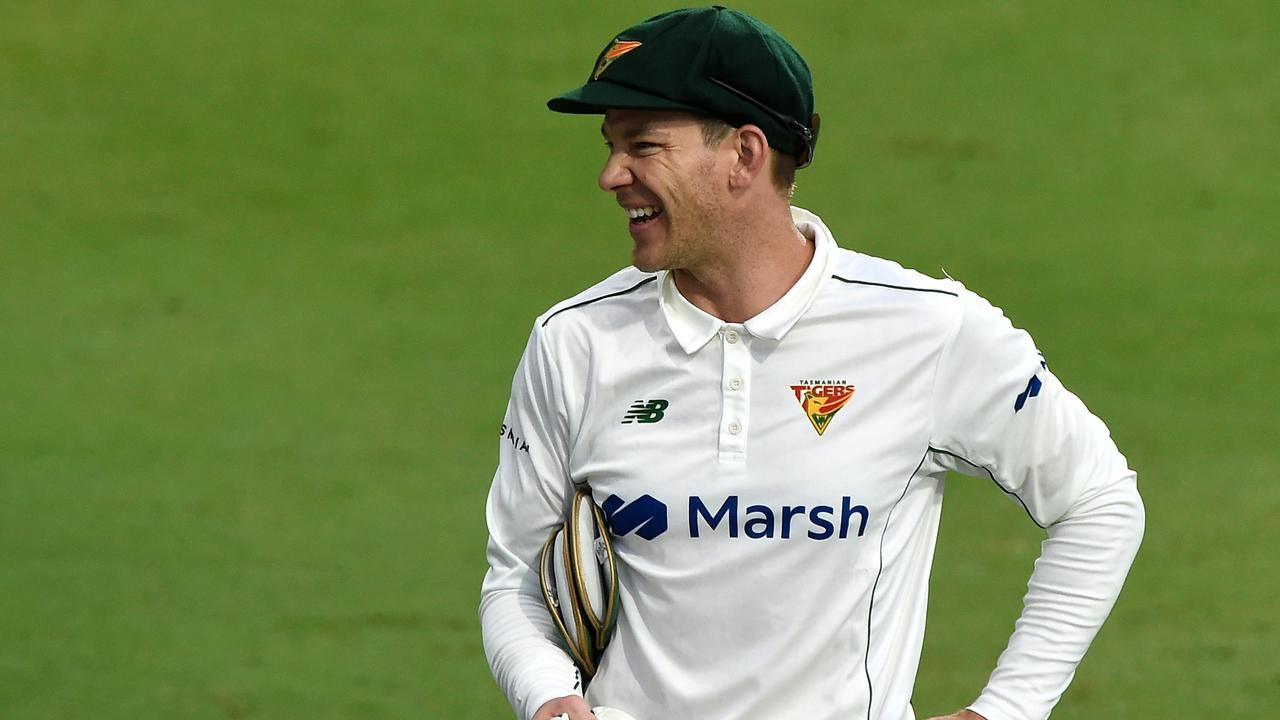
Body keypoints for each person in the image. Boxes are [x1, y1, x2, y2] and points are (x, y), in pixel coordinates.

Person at [479, 7, 1144, 720]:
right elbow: (518, 578)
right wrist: (549, 698)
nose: (612, 176)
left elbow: (1098, 500)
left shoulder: (925, 329)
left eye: (644, 146)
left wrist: (1009, 708)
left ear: (744, 155)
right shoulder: (576, 341)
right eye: (610, 146)